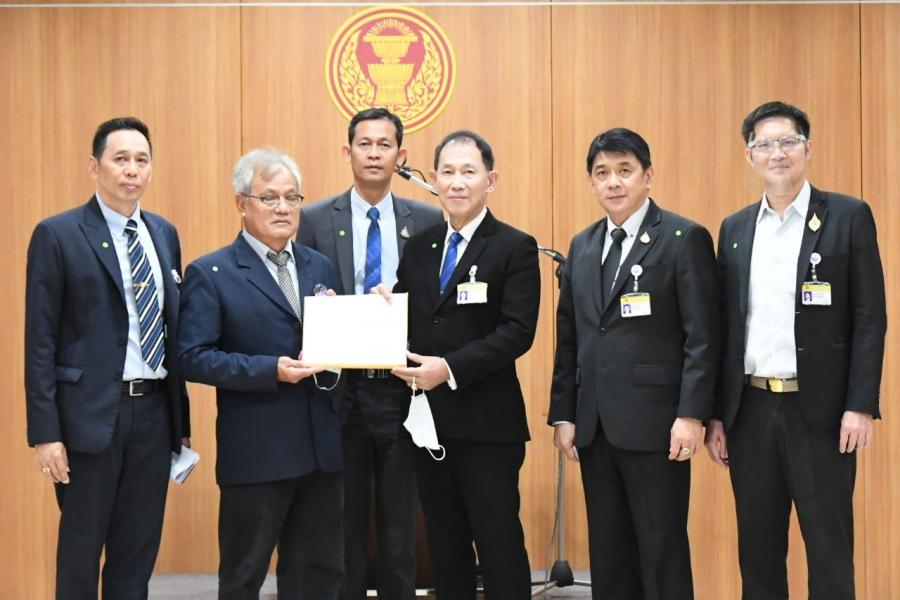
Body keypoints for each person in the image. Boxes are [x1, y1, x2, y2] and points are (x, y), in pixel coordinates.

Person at [706, 101, 887, 600]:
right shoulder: (735, 229)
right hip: (751, 411)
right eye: (764, 144)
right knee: (758, 552)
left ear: (807, 148)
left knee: (829, 548)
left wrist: (860, 405)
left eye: (788, 141)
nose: (777, 153)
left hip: (821, 413)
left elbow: (870, 318)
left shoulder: (847, 216)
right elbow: (724, 328)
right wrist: (718, 414)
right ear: (749, 156)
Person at [548, 128, 720, 600]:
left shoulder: (683, 238)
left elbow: (702, 338)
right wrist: (564, 414)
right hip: (595, 426)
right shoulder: (583, 245)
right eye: (602, 172)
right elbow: (570, 338)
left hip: (658, 426)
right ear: (590, 182)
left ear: (648, 175)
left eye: (625, 170)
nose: (613, 182)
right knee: (609, 556)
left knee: (661, 553)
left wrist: (691, 415)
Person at [24, 116, 191, 600]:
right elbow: (39, 342)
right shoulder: (58, 234)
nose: (131, 170)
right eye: (120, 159)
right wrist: (46, 434)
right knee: (80, 555)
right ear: (94, 167)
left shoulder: (164, 234)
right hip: (89, 419)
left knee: (136, 555)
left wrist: (179, 420)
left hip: (153, 414)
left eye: (141, 160)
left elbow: (171, 329)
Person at [177, 148, 343, 600]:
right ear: (241, 203)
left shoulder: (318, 265)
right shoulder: (212, 272)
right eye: (269, 198)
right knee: (243, 575)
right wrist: (270, 370)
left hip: (321, 450)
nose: (283, 208)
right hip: (257, 453)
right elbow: (193, 356)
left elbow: (337, 344)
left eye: (292, 197)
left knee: (320, 575)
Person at [387, 130, 541, 599]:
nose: (457, 182)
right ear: (434, 180)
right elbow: (408, 319)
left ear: (490, 180)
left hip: (487, 426)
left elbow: (517, 332)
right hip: (428, 426)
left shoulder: (514, 246)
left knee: (498, 543)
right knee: (444, 545)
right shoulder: (420, 247)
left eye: (468, 172)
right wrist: (378, 311)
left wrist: (448, 369)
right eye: (448, 172)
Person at [296, 108, 442, 599]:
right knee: (344, 517)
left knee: (401, 521)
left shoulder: (427, 219)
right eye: (365, 144)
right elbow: (303, 295)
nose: (374, 153)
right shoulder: (316, 219)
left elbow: (433, 302)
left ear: (401, 155)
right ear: (348, 152)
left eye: (385, 145)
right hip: (340, 389)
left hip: (401, 387)